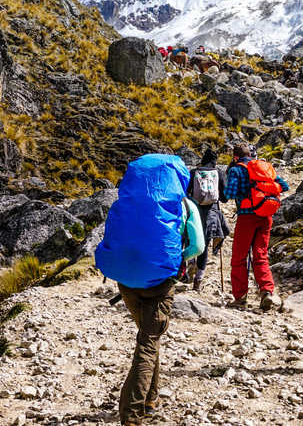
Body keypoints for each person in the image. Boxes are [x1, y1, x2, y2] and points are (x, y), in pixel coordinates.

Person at [95, 154, 196, 426]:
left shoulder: (125, 203)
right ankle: (131, 414)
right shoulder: (184, 205)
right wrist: (176, 259)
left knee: (148, 335)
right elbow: (197, 246)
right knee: (148, 344)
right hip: (160, 283)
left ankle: (151, 398)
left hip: (126, 282)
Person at [223, 143, 288, 310]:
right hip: (266, 216)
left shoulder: (236, 169)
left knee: (239, 257)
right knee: (261, 255)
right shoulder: (263, 167)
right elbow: (284, 186)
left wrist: (243, 192)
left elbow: (229, 193)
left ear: (235, 157)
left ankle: (240, 297)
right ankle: (267, 292)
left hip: (246, 217)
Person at [187, 148, 230, 291]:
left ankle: (191, 261)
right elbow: (224, 198)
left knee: (191, 237)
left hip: (194, 211)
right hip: (212, 214)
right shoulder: (219, 173)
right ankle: (198, 281)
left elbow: (186, 193)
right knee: (204, 245)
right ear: (215, 161)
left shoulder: (194, 172)